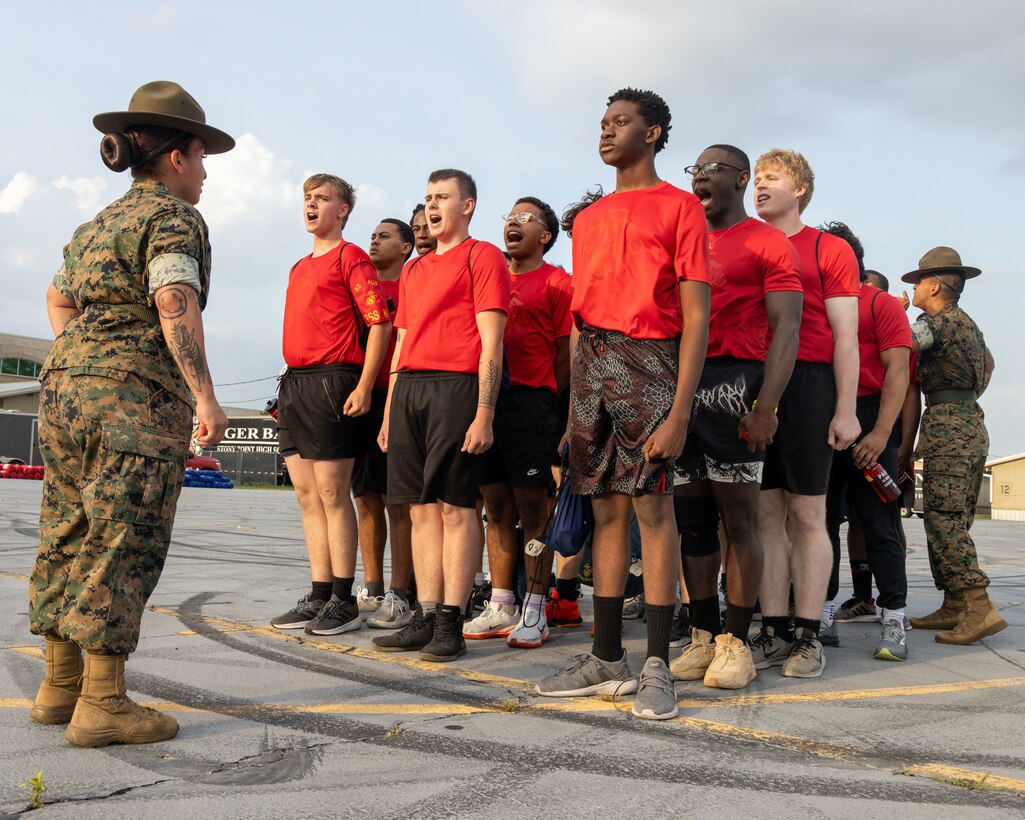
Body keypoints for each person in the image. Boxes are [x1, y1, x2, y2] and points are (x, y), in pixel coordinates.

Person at [29, 81, 234, 747]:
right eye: (202, 159)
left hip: (63, 396)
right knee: (124, 539)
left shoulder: (97, 225)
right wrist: (204, 395)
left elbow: (58, 301)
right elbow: (174, 299)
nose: (204, 174)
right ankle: (103, 704)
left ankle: (59, 688)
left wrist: (85, 360)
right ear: (178, 156)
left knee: (67, 532)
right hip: (133, 404)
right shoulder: (172, 219)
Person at [534, 88, 711, 721]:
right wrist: (573, 405)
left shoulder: (681, 207)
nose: (607, 132)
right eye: (603, 122)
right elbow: (581, 317)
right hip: (593, 368)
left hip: (652, 360)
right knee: (604, 509)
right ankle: (607, 658)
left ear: (655, 133)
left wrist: (681, 409)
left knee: (652, 510)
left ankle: (658, 663)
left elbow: (696, 316)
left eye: (622, 122)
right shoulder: (590, 219)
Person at [671, 145, 803, 690]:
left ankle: (736, 642)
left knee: (739, 521)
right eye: (695, 169)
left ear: (741, 179)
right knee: (692, 522)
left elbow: (788, 329)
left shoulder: (767, 243)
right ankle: (702, 636)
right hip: (682, 386)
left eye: (712, 169)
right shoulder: (683, 238)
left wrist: (766, 406)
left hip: (737, 385)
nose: (701, 177)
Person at [374, 168, 510, 662]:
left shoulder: (483, 257)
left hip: (457, 387)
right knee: (418, 508)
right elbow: (401, 343)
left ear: (467, 205)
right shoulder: (413, 269)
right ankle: (428, 615)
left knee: (456, 507)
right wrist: (390, 412)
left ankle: (452, 619)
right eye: (428, 198)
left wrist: (485, 412)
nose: (432, 207)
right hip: (409, 388)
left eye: (442, 198)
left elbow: (491, 344)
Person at [751, 149, 861, 678]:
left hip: (811, 385)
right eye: (755, 178)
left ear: (800, 190)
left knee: (808, 516)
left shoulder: (828, 248)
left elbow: (846, 337)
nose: (759, 185)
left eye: (771, 178)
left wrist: (845, 410)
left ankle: (808, 635)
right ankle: (772, 630)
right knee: (765, 515)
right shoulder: (744, 241)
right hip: (753, 386)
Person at [270, 175, 392, 637]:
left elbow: (379, 325)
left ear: (342, 210)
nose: (311, 205)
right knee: (305, 496)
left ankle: (344, 598)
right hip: (296, 383)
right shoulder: (300, 265)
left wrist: (362, 386)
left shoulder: (351, 257)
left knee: (331, 494)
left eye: (322, 199)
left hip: (333, 379)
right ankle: (320, 592)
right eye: (307, 198)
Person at [467, 197, 572, 648]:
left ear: (545, 236)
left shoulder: (558, 282)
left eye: (525, 219)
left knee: (533, 513)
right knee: (496, 510)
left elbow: (570, 353)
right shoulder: (489, 277)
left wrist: (549, 396)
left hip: (534, 406)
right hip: (489, 404)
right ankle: (501, 601)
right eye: (509, 217)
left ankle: (534, 607)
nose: (513, 223)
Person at [902, 247, 1004, 644]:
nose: (913, 290)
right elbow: (990, 363)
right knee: (955, 517)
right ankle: (955, 604)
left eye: (916, 284)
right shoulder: (969, 325)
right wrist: (968, 393)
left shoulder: (936, 323)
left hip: (948, 428)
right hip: (969, 421)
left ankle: (978, 605)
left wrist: (896, 311)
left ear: (933, 285)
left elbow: (901, 343)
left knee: (943, 519)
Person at [820, 223, 911, 661]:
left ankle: (894, 616)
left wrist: (879, 435)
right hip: (825, 416)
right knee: (819, 521)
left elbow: (899, 372)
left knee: (879, 523)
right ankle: (822, 613)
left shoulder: (881, 305)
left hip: (873, 415)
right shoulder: (817, 306)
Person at [353, 219, 415, 629]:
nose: (374, 241)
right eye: (372, 236)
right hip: (363, 398)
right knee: (366, 498)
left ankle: (401, 591)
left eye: (385, 236)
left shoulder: (413, 284)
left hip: (400, 400)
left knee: (399, 503)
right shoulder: (362, 287)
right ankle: (372, 587)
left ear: (407, 247)